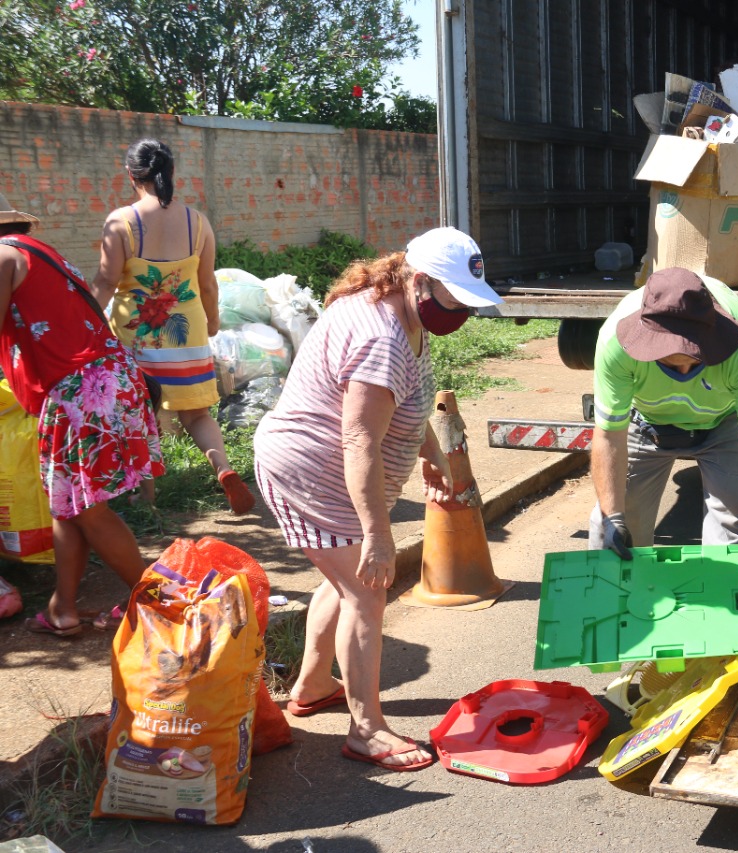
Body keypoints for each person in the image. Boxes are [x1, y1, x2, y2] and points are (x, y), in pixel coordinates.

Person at [254, 226, 499, 771]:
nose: (462, 311)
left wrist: (428, 451)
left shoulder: (400, 308)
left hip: (330, 469)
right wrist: (378, 535)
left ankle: (313, 687)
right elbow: (359, 439)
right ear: (421, 281)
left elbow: (406, 398)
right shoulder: (380, 337)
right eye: (456, 298)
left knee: (344, 580)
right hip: (313, 469)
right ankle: (366, 731)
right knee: (367, 590)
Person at [0, 193, 163, 637]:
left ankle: (158, 602)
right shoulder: (35, 250)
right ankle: (64, 608)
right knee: (69, 504)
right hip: (107, 380)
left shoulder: (2, 257)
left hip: (81, 391)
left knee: (89, 510)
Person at [588, 267, 738, 607]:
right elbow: (610, 436)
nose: (684, 374)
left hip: (724, 422)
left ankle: (723, 626)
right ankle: (622, 618)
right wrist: (613, 516)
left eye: (696, 358)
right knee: (613, 531)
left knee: (735, 533)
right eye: (671, 363)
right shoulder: (616, 342)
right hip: (647, 423)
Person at [92, 138, 254, 515]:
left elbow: (104, 283)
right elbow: (208, 284)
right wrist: (212, 322)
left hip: (138, 337)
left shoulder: (121, 222)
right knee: (196, 414)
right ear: (172, 171)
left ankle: (146, 496)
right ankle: (223, 468)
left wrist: (86, 326)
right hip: (187, 334)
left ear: (131, 175)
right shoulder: (198, 222)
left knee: (140, 415)